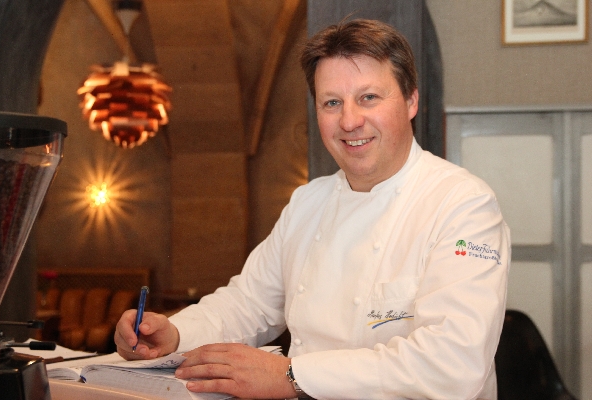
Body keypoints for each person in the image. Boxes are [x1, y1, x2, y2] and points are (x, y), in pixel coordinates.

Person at [115, 18, 510, 399]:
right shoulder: (308, 202)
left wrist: (290, 375)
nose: (349, 121)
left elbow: (452, 364)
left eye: (368, 98)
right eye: (332, 102)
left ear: (411, 101)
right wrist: (174, 333)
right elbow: (247, 304)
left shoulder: (463, 205)